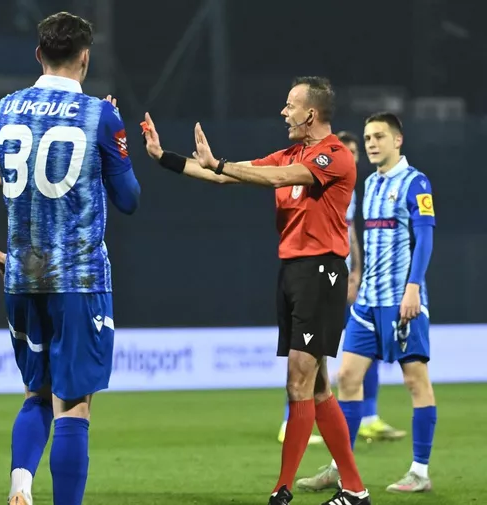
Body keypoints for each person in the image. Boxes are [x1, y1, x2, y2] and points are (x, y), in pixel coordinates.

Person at [142, 76, 369, 505]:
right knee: (317, 387)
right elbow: (227, 176)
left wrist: (220, 163)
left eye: (290, 106)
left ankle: (281, 490)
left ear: (311, 114)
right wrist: (163, 158)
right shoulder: (291, 151)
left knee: (298, 381)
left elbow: (274, 177)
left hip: (322, 272)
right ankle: (356, 492)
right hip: (293, 273)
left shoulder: (335, 157)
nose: (284, 113)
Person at [0, 12, 141, 505]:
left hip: (22, 274)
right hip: (78, 277)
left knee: (36, 392)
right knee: (73, 406)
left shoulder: (5, 108)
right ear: (85, 57)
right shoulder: (101, 114)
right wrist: (113, 136)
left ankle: (20, 486)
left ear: (38, 54)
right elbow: (128, 198)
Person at [297, 112, 436, 493]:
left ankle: (420, 473)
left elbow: (424, 240)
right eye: (367, 137)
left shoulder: (415, 183)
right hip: (367, 303)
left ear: (397, 141)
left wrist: (414, 288)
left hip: (401, 302)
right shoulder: (370, 183)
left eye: (378, 137)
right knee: (348, 378)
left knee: (415, 381)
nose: (371, 143)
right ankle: (339, 467)